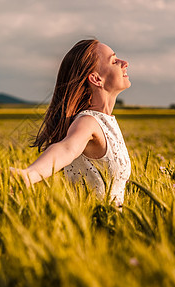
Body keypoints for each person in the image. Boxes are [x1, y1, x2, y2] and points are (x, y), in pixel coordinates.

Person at [13, 39, 131, 209]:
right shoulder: (88, 122)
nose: (124, 63)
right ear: (96, 79)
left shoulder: (106, 122)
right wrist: (28, 175)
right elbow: (66, 148)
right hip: (91, 226)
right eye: (114, 61)